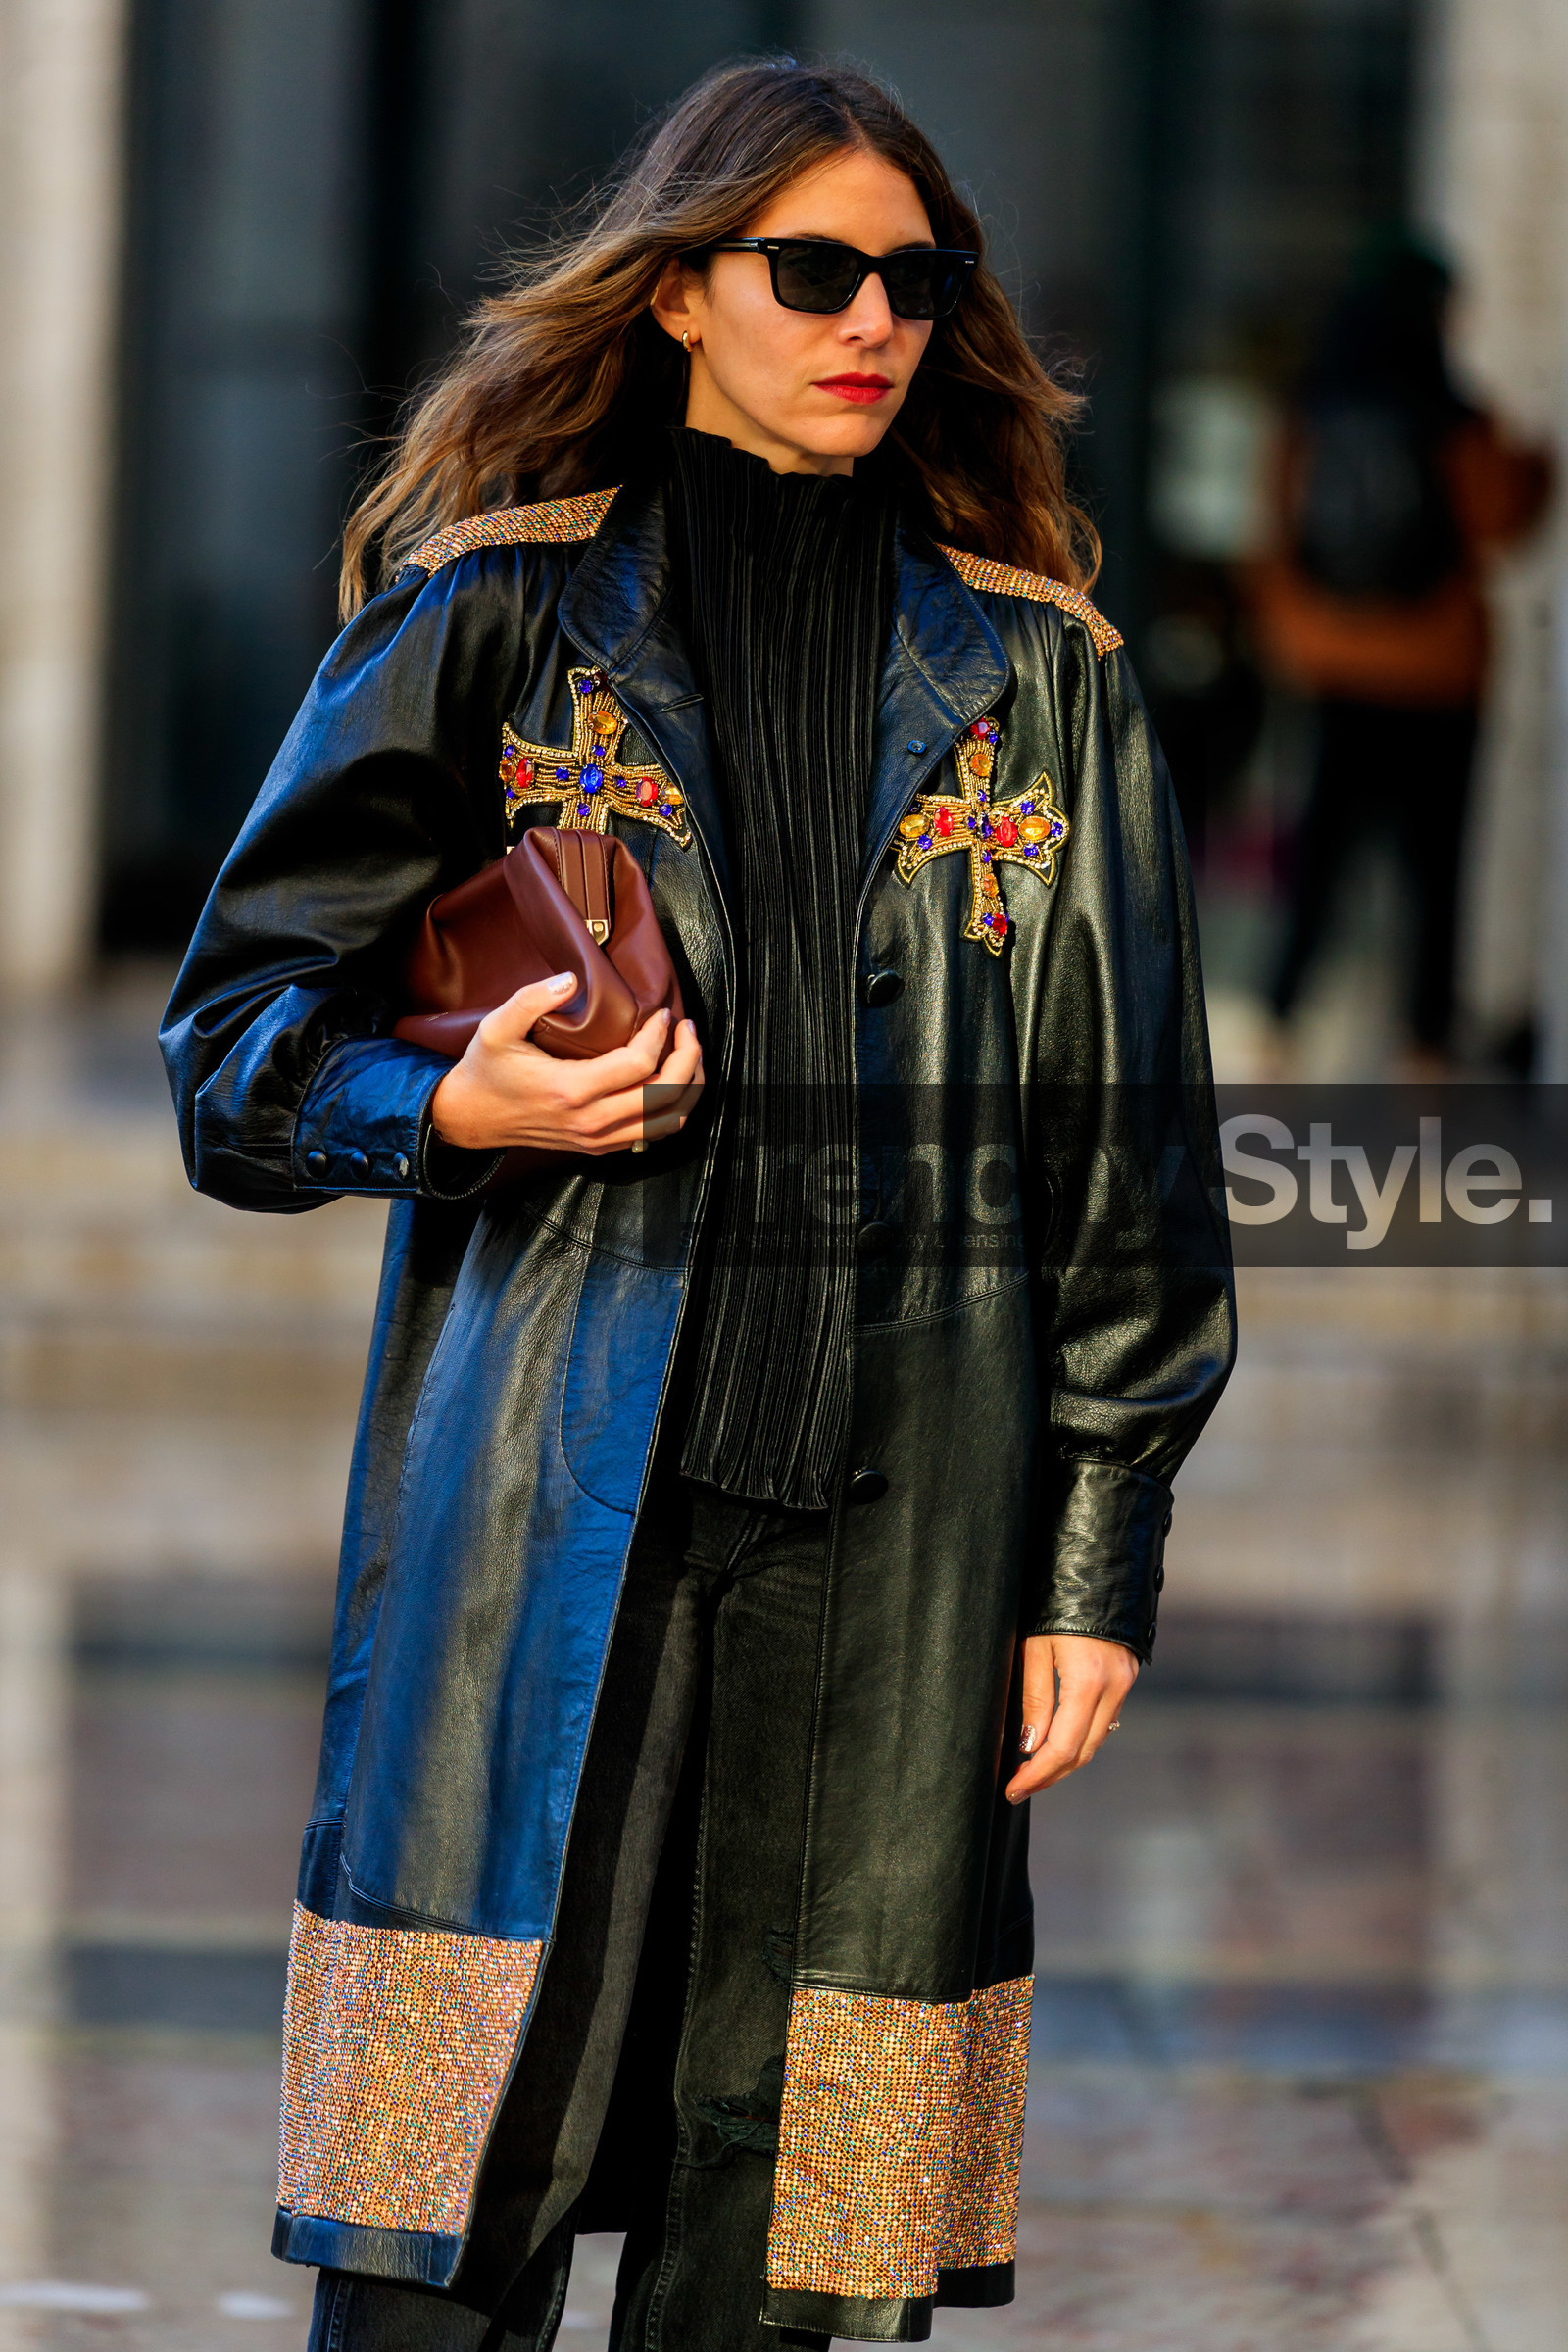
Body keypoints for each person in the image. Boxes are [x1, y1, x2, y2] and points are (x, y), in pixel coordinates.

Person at [162, 57, 1234, 2352]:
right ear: (675, 293)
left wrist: (1091, 1547)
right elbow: (233, 1049)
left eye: (911, 282)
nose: (867, 320)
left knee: (798, 2254)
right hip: (544, 1547)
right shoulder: (486, 620)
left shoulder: (1044, 683)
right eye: (811, 270)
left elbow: (1123, 1160)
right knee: (443, 2226)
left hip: (898, 1569)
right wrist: (455, 1101)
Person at [1250, 239, 1552, 1068]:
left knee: (1319, 862)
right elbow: (1498, 520)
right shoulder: (1449, 411)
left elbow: (1273, 532)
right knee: (1435, 873)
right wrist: (1539, 467)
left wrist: (1300, 631)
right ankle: (1426, 1065)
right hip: (1437, 673)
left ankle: (1276, 1037)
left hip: (1336, 662)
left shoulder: (1310, 403)